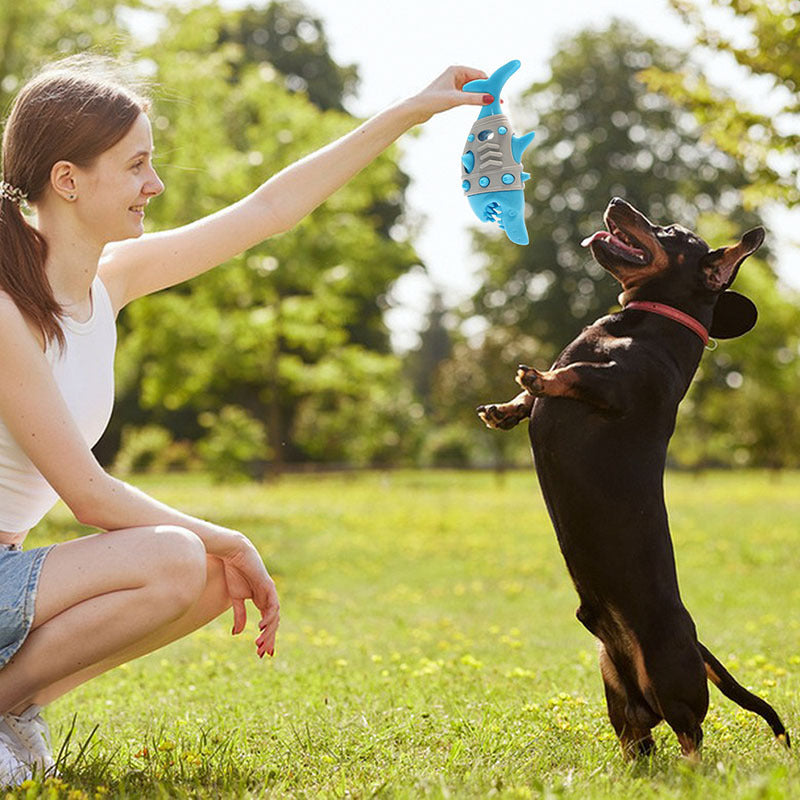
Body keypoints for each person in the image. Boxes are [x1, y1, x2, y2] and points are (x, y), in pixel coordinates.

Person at [0, 54, 489, 785]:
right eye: (136, 166)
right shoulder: (7, 308)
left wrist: (410, 111)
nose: (154, 186)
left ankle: (11, 711)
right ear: (67, 180)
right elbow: (91, 498)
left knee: (208, 576)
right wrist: (234, 536)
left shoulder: (107, 283)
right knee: (179, 554)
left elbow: (265, 213)